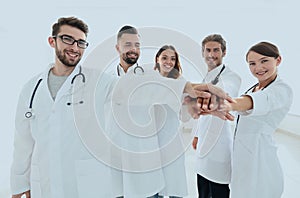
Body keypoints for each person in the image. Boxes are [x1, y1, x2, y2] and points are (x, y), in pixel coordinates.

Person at [108, 26, 233, 198]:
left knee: (161, 188)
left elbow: (164, 94)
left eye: (137, 45)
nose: (133, 49)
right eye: (128, 44)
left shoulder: (148, 75)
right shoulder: (110, 78)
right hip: (120, 149)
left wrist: (195, 104)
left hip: (154, 147)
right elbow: (138, 90)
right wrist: (192, 89)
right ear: (117, 47)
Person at [10, 17, 118, 198]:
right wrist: (19, 184)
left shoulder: (98, 82)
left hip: (88, 186)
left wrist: (182, 89)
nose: (75, 48)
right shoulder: (31, 88)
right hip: (46, 184)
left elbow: (134, 89)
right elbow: (23, 142)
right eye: (68, 39)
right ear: (52, 41)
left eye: (81, 43)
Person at [220, 41, 293, 198]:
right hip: (243, 156)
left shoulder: (281, 89)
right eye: (252, 63)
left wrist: (227, 104)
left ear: (278, 60)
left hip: (261, 159)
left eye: (264, 61)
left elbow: (253, 101)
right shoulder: (254, 88)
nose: (258, 68)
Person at [192, 34, 241, 198]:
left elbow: (226, 90)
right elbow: (202, 111)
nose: (211, 54)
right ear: (202, 53)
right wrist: (197, 135)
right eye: (208, 50)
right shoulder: (206, 76)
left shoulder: (231, 76)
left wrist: (217, 94)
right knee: (203, 190)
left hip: (219, 144)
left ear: (224, 52)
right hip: (203, 142)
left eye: (216, 50)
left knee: (218, 189)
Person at [153, 45, 188, 198]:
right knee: (154, 185)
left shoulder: (182, 83)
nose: (169, 62)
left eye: (173, 59)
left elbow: (185, 116)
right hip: (152, 141)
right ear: (157, 59)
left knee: (175, 184)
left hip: (172, 139)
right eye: (165, 58)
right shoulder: (149, 81)